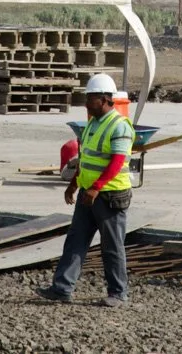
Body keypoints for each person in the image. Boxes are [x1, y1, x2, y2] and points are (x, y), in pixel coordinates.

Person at [37, 73, 134, 307]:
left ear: (104, 99)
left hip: (110, 195)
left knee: (112, 246)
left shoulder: (120, 126)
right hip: (88, 193)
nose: (86, 102)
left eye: (90, 98)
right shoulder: (92, 123)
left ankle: (118, 293)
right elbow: (86, 158)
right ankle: (62, 288)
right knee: (75, 241)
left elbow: (116, 162)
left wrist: (96, 188)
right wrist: (74, 184)